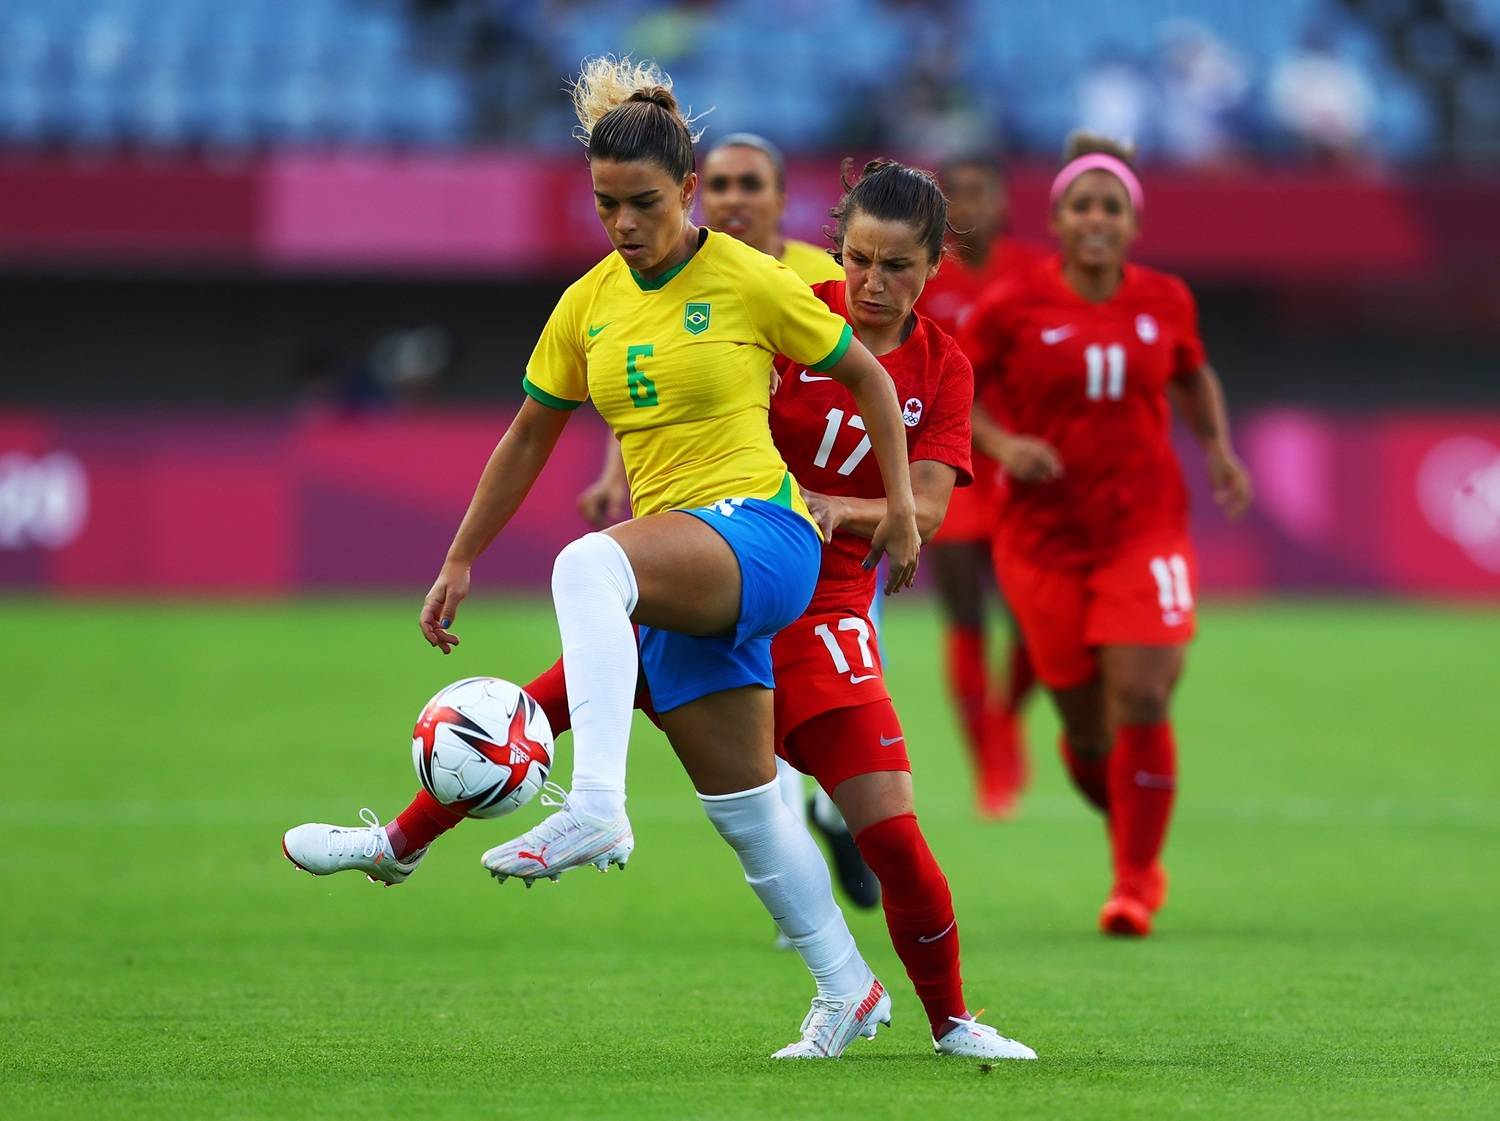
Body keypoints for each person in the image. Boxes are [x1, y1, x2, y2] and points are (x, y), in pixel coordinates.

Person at [285, 56, 922, 1059]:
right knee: (749, 810)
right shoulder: (589, 303)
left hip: (766, 532)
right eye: (605, 205)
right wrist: (458, 559)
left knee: (589, 568)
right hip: (687, 566)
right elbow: (527, 437)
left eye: (642, 203)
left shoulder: (751, 278)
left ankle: (595, 807)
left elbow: (872, 379)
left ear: (689, 187)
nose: (623, 224)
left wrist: (902, 517)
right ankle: (849, 988)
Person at [577, 130, 877, 914]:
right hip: (707, 522)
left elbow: (887, 379)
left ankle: (832, 811)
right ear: (697, 189)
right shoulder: (660, 279)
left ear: (784, 199)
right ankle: (819, 918)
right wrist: (617, 471)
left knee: (811, 710)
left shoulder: (818, 280)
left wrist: (889, 502)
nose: (737, 197)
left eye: (753, 183)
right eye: (725, 183)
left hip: (798, 524)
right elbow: (662, 384)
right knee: (736, 725)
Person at [961, 133, 1253, 937]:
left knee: (1145, 693)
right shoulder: (1012, 306)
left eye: (1111, 207)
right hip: (1042, 541)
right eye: (1082, 205)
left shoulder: (1166, 299)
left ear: (1133, 223)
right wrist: (1004, 444)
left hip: (1143, 528)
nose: (1097, 218)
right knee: (1087, 732)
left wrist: (1219, 449)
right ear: (1056, 220)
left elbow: (1193, 372)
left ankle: (1134, 879)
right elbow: (960, 392)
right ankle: (1119, 809)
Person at [918, 152, 1045, 819]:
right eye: (956, 193)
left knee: (1035, 618)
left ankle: (1005, 717)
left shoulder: (1033, 273)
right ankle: (990, 762)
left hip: (1025, 467)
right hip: (951, 461)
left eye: (980, 191)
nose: (969, 205)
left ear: (1001, 199)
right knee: (966, 611)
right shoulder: (926, 276)